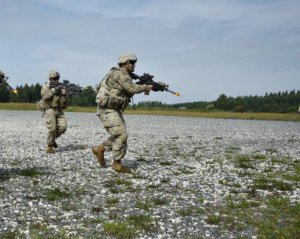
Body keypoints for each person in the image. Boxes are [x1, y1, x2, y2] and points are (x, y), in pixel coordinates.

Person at [92, 53, 164, 173]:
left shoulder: (126, 76)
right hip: (107, 109)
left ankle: (100, 149)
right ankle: (116, 163)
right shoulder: (120, 74)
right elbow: (132, 89)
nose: (134, 64)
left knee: (119, 135)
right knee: (122, 134)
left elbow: (130, 89)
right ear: (125, 63)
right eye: (131, 62)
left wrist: (148, 85)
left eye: (134, 62)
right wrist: (149, 87)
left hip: (114, 109)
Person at [41, 70, 68, 154]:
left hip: (59, 110)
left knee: (63, 127)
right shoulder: (46, 87)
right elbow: (45, 96)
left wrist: (64, 94)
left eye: (56, 78)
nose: (54, 80)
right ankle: (49, 147)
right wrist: (53, 90)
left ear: (58, 78)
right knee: (52, 128)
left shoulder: (61, 87)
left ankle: (52, 140)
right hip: (50, 109)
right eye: (52, 78)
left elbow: (65, 103)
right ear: (49, 79)